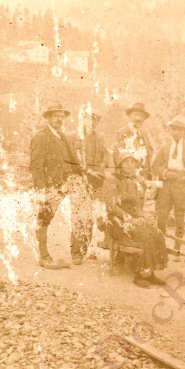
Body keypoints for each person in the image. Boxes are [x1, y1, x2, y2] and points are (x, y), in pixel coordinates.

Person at [104, 151, 169, 288]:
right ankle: (139, 275)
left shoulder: (132, 181)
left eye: (132, 162)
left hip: (131, 220)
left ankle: (150, 272)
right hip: (116, 222)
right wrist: (129, 219)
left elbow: (136, 204)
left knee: (156, 233)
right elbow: (111, 206)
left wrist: (140, 216)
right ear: (120, 164)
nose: (129, 164)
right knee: (144, 236)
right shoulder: (111, 180)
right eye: (126, 161)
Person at [29, 102, 82, 270]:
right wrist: (41, 191)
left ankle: (76, 253)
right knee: (44, 219)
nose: (59, 119)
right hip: (51, 186)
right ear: (48, 118)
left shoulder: (62, 136)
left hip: (67, 184)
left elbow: (73, 161)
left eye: (61, 116)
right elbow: (36, 166)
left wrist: (81, 179)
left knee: (78, 215)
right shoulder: (41, 137)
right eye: (55, 116)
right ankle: (43, 256)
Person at [67, 104, 110, 264]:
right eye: (90, 118)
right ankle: (76, 253)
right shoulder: (73, 136)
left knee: (92, 216)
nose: (93, 122)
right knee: (79, 217)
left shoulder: (100, 136)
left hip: (97, 180)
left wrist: (103, 164)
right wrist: (88, 171)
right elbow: (72, 159)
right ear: (83, 118)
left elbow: (106, 153)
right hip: (80, 181)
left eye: (96, 120)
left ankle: (84, 249)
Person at [152, 115, 185, 253]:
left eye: (179, 130)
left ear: (184, 131)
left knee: (180, 218)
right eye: (173, 129)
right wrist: (165, 173)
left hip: (182, 186)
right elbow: (155, 166)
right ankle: (161, 247)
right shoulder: (165, 147)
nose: (176, 132)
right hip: (166, 185)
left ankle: (177, 248)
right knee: (161, 216)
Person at [113, 102, 154, 180]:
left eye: (142, 116)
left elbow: (150, 151)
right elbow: (118, 158)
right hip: (128, 177)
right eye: (136, 115)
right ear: (129, 116)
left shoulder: (143, 133)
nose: (139, 118)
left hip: (144, 176)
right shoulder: (121, 133)